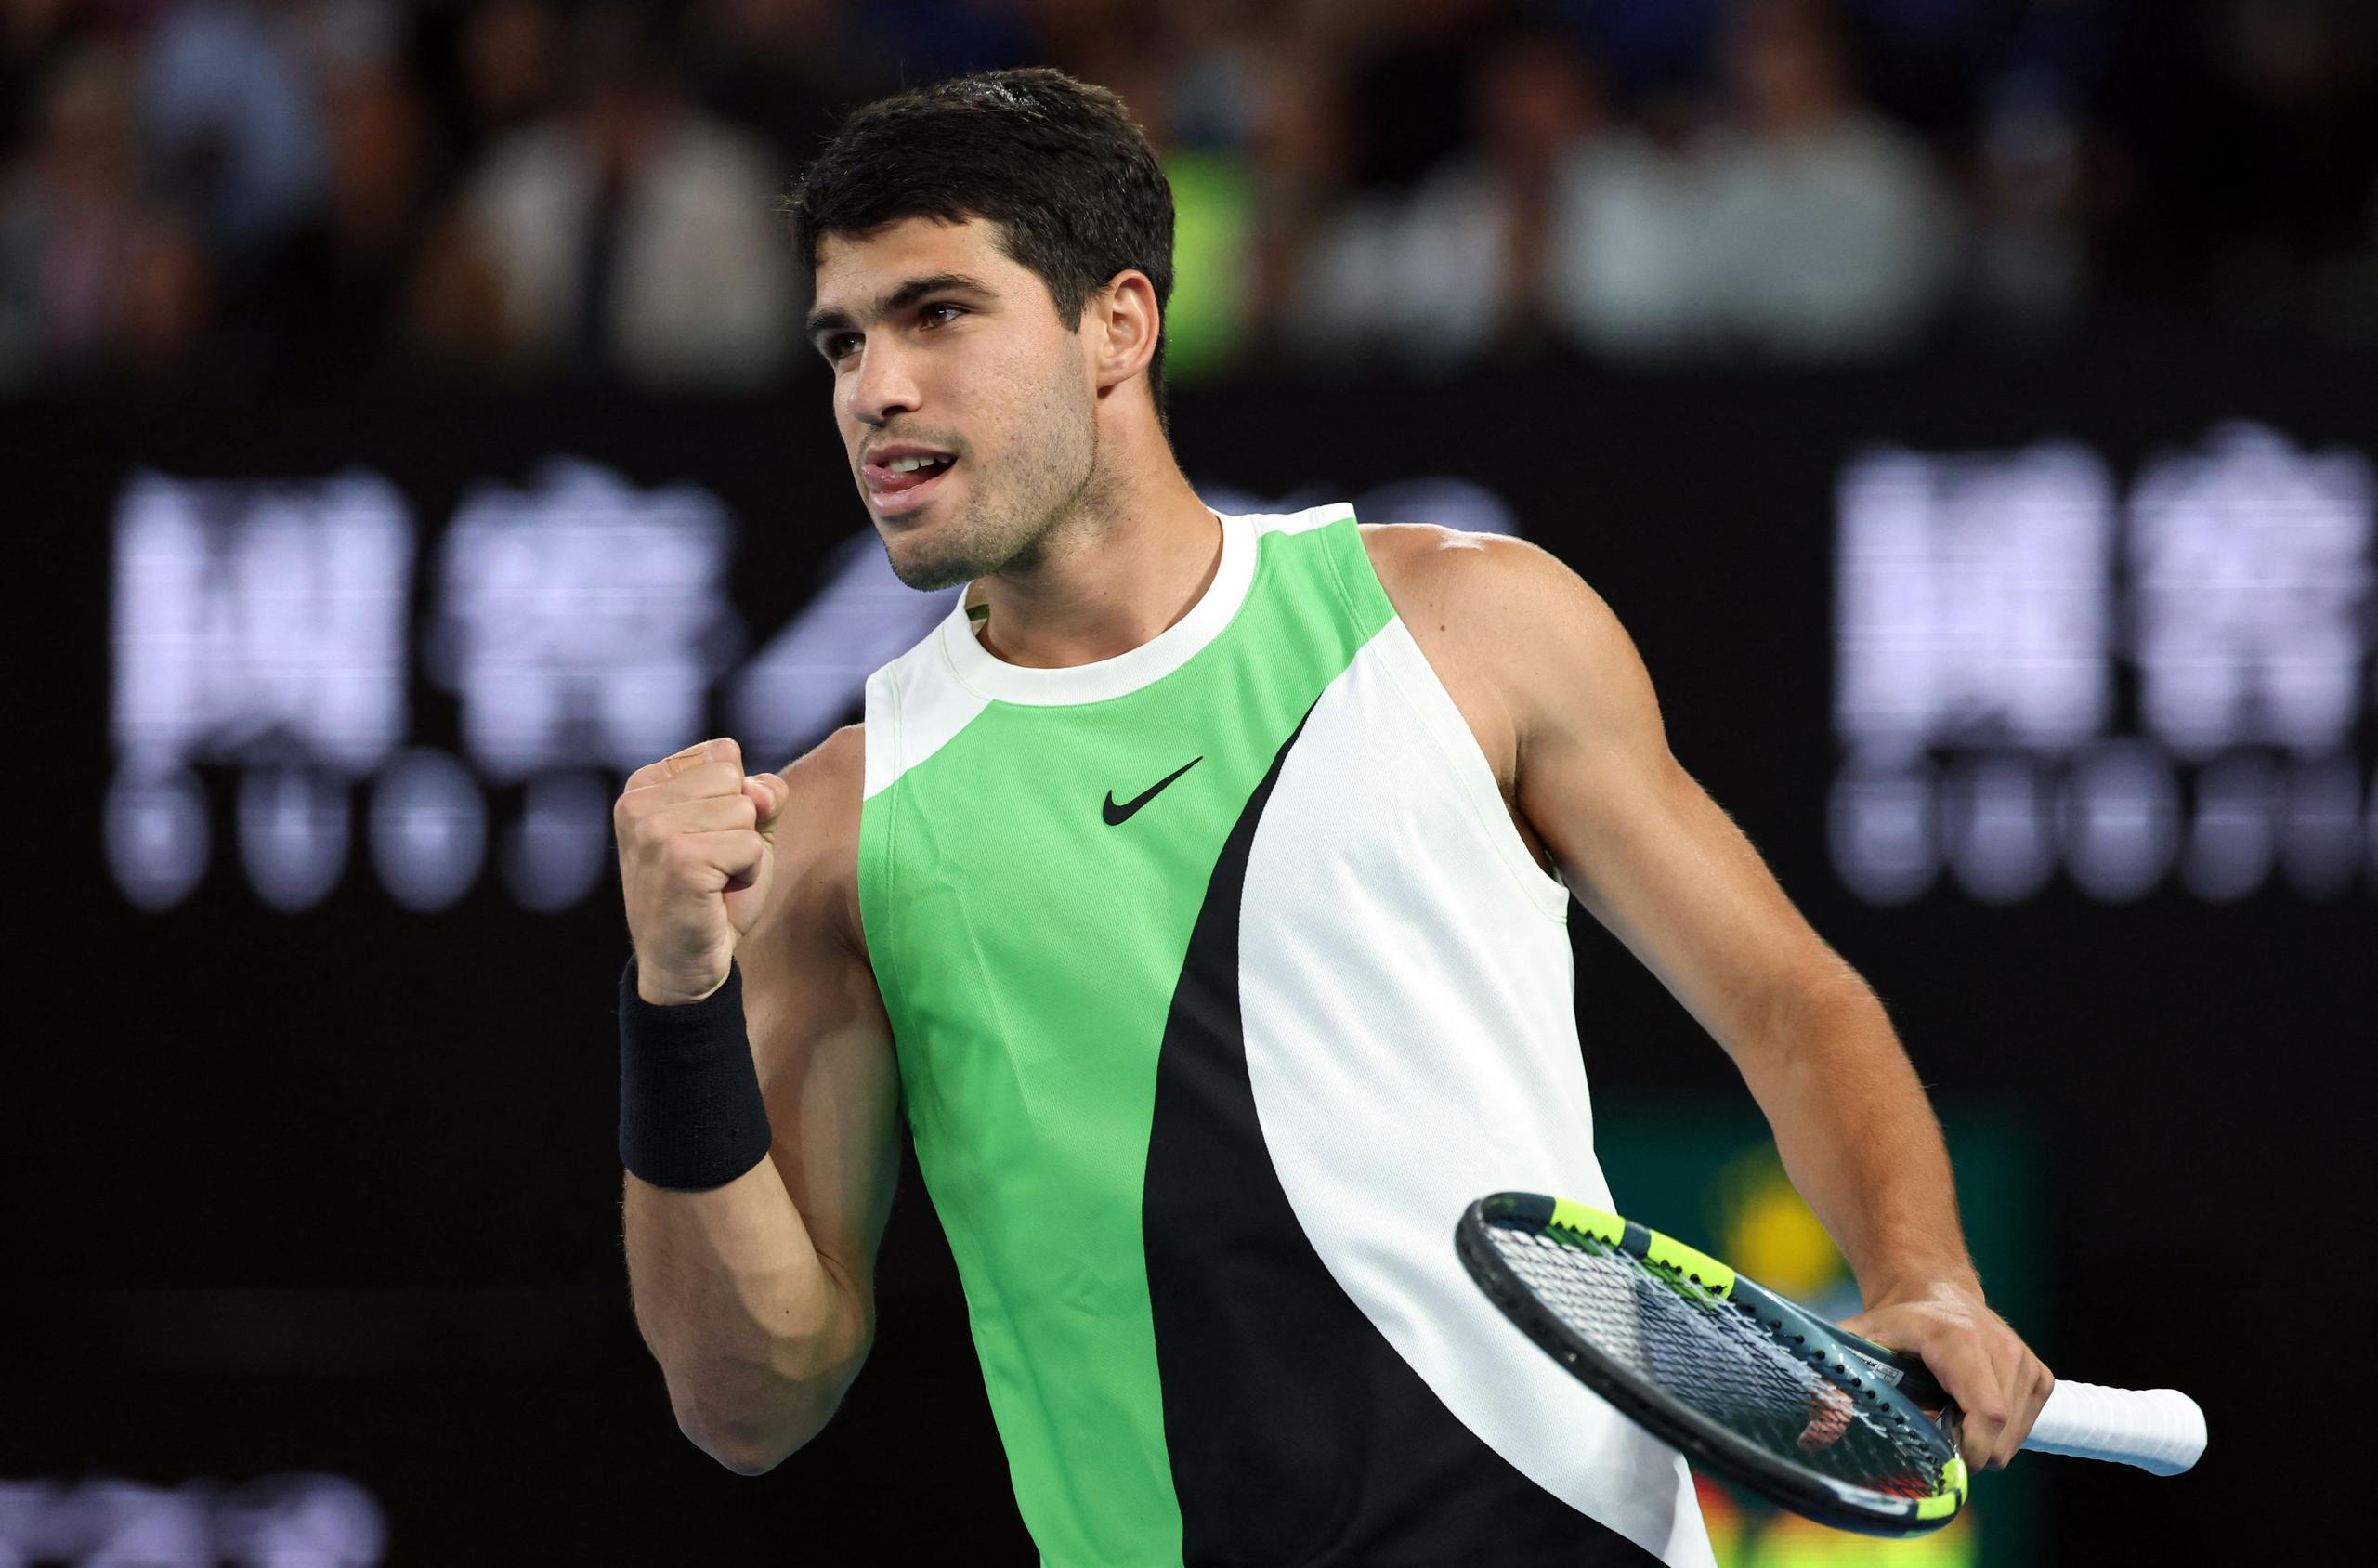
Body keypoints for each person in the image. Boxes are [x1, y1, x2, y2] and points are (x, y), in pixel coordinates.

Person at [612, 67, 2050, 1568]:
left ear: (1118, 324)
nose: (875, 389)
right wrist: (673, 1003)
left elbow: (1785, 1000)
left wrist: (1924, 1276)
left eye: (937, 314)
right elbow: (748, 1400)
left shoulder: (1465, 627)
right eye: (845, 341)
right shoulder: (836, 829)